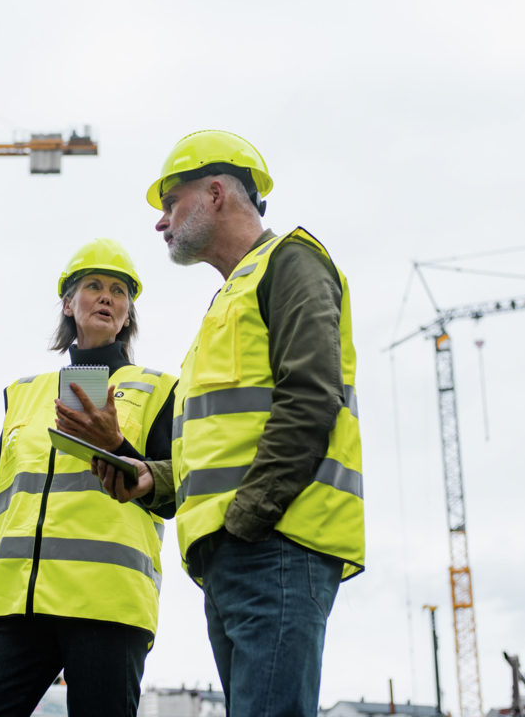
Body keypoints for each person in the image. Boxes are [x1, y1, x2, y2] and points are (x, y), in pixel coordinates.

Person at [92, 130, 364, 717]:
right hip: (236, 556)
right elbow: (215, 447)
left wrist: (247, 520)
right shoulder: (228, 300)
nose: (161, 224)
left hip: (275, 544)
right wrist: (151, 480)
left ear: (215, 193)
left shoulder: (290, 262)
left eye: (170, 203)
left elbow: (312, 398)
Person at [0, 238, 178, 717]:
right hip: (14, 603)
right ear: (68, 303)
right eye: (94, 286)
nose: (106, 297)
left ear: (127, 312)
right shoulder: (24, 394)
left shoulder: (158, 390)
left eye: (119, 291)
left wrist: (118, 448)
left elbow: (173, 489)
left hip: (106, 605)